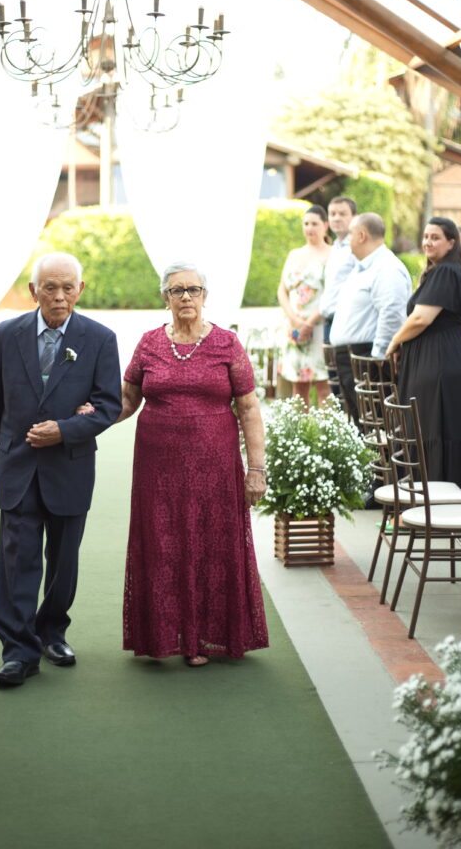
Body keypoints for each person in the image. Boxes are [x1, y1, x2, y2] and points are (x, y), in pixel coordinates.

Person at [0, 252, 121, 687]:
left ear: (80, 290)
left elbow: (108, 405)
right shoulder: (7, 334)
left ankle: (52, 632)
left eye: (67, 288)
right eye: (50, 288)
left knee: (63, 562)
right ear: (34, 291)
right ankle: (18, 652)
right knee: (16, 563)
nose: (59, 296)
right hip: (17, 466)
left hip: (70, 467)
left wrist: (65, 430)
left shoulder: (100, 339)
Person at [118, 262, 269, 667]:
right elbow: (128, 399)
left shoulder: (227, 344)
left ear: (205, 296)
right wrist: (89, 417)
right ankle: (163, 635)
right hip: (157, 471)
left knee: (212, 545)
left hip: (215, 469)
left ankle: (204, 637)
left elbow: (249, 408)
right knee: (161, 545)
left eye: (194, 289)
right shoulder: (149, 344)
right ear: (165, 298)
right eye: (177, 290)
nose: (186, 296)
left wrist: (256, 470)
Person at [386, 217, 461, 503]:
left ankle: (439, 504)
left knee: (437, 429)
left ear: (452, 243)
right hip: (443, 359)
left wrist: (394, 342)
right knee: (433, 429)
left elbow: (421, 318)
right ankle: (436, 503)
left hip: (445, 363)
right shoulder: (444, 271)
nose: (428, 242)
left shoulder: (446, 271)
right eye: (426, 236)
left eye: (436, 237)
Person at [329, 213, 410, 425]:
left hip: (367, 358)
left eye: (351, 234)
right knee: (360, 424)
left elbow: (392, 313)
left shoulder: (387, 267)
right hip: (352, 357)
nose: (348, 240)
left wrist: (378, 358)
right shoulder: (363, 267)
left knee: (375, 424)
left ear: (362, 235)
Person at [277, 204, 331, 405]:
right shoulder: (294, 254)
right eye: (306, 224)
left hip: (319, 326)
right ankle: (300, 425)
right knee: (298, 388)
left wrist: (309, 323)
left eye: (314, 224)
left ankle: (327, 425)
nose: (309, 228)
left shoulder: (332, 254)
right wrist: (294, 320)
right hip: (294, 326)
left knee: (324, 386)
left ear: (325, 226)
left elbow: (331, 294)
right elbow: (281, 290)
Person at [320, 196, 357, 341]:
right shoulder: (335, 248)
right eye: (332, 214)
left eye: (342, 214)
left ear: (354, 217)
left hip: (347, 321)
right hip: (328, 320)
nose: (336, 218)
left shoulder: (357, 247)